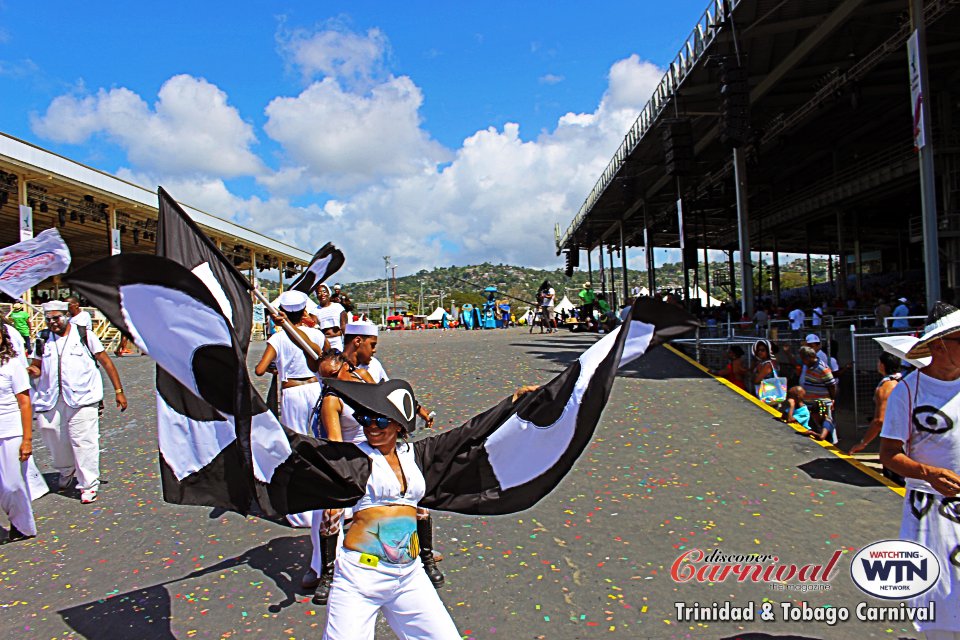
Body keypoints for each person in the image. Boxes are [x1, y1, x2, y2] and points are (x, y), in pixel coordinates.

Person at [320, 379, 461, 640]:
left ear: (398, 424)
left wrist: (515, 404)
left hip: (409, 576)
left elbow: (468, 436)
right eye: (364, 419)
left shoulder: (415, 454)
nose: (371, 427)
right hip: (359, 578)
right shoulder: (353, 458)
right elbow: (294, 450)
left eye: (381, 421)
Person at [879, 302, 960, 638]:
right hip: (932, 511)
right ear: (939, 344)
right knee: (942, 607)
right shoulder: (907, 392)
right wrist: (928, 473)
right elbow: (889, 455)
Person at [26, 301, 127, 504]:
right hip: (51, 399)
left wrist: (118, 391)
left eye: (56, 318)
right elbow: (37, 366)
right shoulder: (43, 339)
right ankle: (66, 469)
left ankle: (88, 484)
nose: (53, 323)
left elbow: (106, 361)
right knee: (52, 434)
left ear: (66, 316)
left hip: (83, 398)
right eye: (48, 319)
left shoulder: (84, 335)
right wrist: (28, 371)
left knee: (83, 440)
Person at [254, 291, 328, 528]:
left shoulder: (278, 338)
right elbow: (326, 359)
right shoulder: (316, 334)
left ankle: (303, 510)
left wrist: (276, 368)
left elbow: (259, 369)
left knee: (296, 447)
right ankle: (327, 499)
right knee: (320, 442)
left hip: (293, 392)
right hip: (315, 388)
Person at [0, 318, 36, 544]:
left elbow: (24, 403)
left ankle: (22, 524)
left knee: (13, 484)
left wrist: (27, 439)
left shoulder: (12, 364)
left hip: (12, 430)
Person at [848, 351, 902, 455]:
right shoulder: (905, 380)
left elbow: (879, 421)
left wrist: (863, 443)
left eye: (878, 362)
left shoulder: (886, 387)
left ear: (882, 365)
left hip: (895, 437)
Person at [798, 345, 837, 443]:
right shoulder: (809, 367)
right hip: (812, 405)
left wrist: (832, 399)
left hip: (822, 404)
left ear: (809, 358)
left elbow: (832, 385)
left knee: (825, 430)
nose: (802, 361)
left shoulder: (822, 368)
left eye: (803, 359)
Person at [313, 284, 348, 351]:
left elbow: (344, 326)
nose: (322, 294)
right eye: (319, 293)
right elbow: (315, 329)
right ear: (317, 296)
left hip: (337, 340)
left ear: (328, 293)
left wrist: (347, 343)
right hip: (324, 342)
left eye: (324, 291)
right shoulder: (314, 311)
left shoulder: (338, 307)